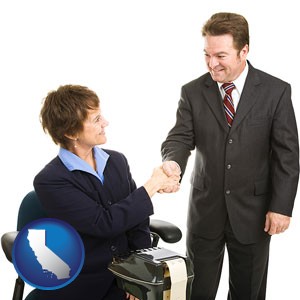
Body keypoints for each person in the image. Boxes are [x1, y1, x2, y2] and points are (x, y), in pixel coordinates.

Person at [161, 12, 299, 300]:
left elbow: (287, 155)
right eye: (207, 55)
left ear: (244, 50)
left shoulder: (276, 91)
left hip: (254, 214)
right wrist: (172, 163)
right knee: (197, 292)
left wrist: (282, 206)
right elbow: (180, 137)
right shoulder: (193, 91)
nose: (212, 64)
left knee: (248, 293)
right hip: (205, 211)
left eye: (221, 55)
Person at [33, 84, 180, 300]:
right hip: (84, 282)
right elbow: (104, 223)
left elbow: (137, 223)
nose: (106, 123)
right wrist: (153, 185)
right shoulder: (50, 180)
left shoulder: (116, 161)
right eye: (96, 120)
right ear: (71, 132)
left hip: (124, 276)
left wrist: (140, 278)